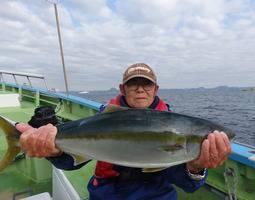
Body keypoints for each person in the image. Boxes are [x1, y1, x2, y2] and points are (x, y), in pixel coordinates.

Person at [16, 63, 231, 200]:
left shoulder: (174, 125)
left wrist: (195, 168)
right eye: (133, 84)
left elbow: (186, 184)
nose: (140, 89)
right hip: (107, 195)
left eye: (146, 84)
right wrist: (55, 151)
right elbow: (73, 162)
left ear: (155, 90)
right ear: (122, 89)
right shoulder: (102, 118)